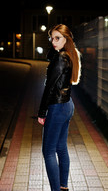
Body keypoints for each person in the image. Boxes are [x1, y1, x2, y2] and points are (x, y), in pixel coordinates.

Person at [38, 24, 81, 191]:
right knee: (61, 147)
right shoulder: (69, 55)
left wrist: (42, 112)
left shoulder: (61, 58)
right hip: (67, 105)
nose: (53, 41)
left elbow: (49, 87)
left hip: (57, 107)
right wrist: (53, 50)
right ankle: (63, 187)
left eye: (58, 38)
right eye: (52, 38)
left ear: (66, 39)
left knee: (48, 151)